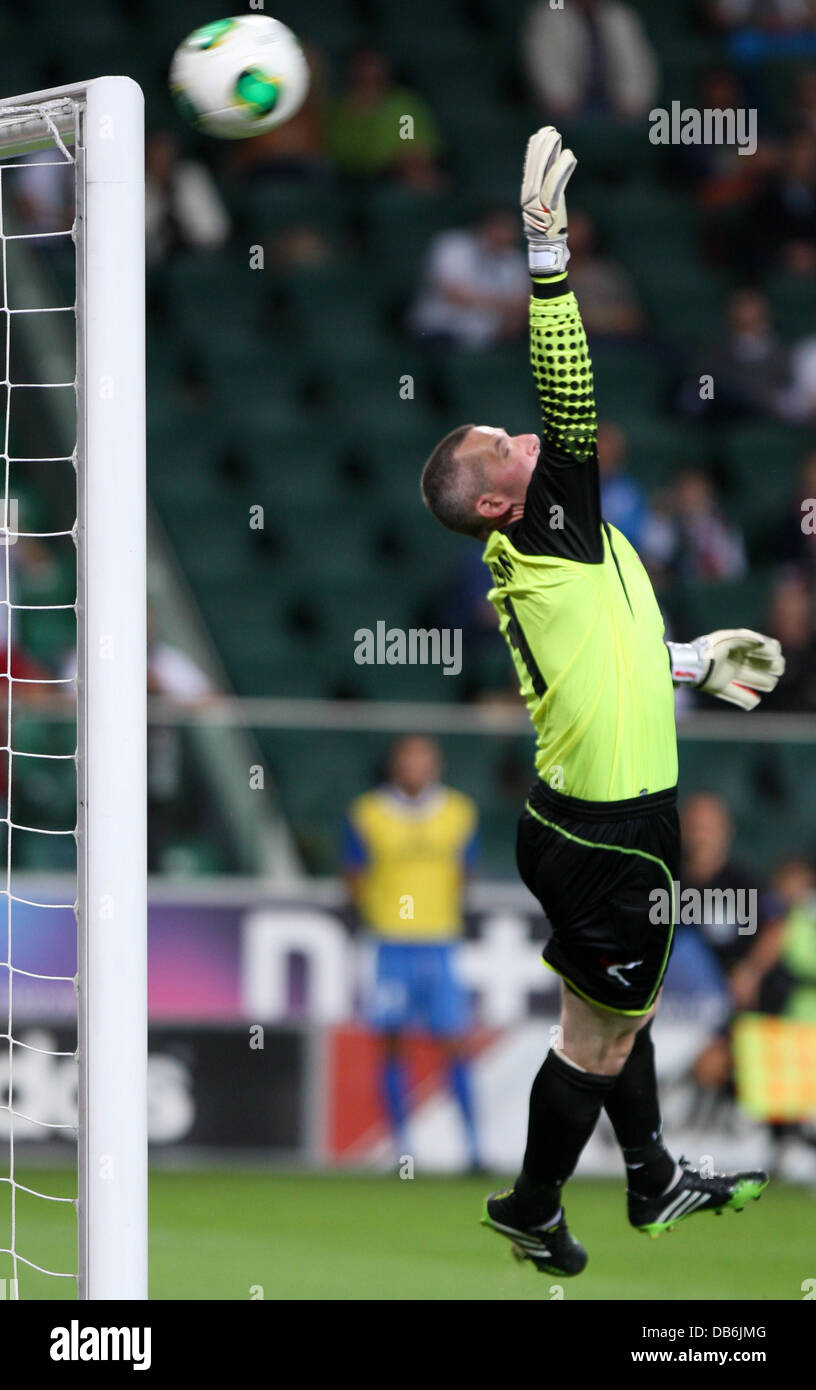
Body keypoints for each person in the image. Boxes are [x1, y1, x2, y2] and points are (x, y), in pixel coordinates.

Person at [420, 126, 786, 1276]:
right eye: (503, 446)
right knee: (597, 1035)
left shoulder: (548, 542)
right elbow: (569, 389)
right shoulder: (542, 515)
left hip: (587, 816)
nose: (525, 436)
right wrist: (545, 257)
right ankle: (535, 1203)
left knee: (609, 1015)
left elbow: (597, 653)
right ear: (495, 502)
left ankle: (652, 1175)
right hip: (610, 830)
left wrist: (687, 663)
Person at [342, 736, 483, 1169]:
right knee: (391, 1042)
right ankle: (403, 1149)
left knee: (454, 1041)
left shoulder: (459, 812)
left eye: (422, 761)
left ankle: (474, 1149)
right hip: (389, 943)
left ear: (435, 766)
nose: (415, 768)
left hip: (439, 940)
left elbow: (465, 872)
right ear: (394, 766)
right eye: (407, 760)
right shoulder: (368, 813)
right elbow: (353, 872)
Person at [410, 207, 530, 350]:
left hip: (492, 336)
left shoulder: (515, 260)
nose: (506, 234)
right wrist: (503, 306)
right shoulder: (452, 245)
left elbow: (524, 304)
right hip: (441, 329)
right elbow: (454, 294)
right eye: (500, 227)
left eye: (510, 229)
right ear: (484, 226)